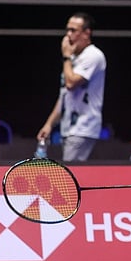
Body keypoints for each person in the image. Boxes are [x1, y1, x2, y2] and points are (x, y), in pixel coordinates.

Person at [37, 12, 106, 162]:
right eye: (67, 29)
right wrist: (49, 124)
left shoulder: (93, 55)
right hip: (68, 127)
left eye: (73, 30)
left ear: (87, 33)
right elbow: (64, 95)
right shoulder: (73, 58)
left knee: (70, 170)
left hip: (83, 126)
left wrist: (66, 56)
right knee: (71, 170)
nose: (68, 34)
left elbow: (70, 83)